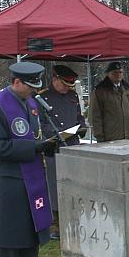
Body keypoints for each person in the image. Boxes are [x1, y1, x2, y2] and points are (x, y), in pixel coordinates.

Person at [0, 62, 55, 257]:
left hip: (32, 176)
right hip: (10, 181)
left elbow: (37, 133)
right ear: (16, 82)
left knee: (31, 228)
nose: (34, 91)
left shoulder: (31, 103)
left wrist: (49, 141)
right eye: (30, 86)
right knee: (10, 233)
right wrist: (33, 147)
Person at [38, 64, 86, 240]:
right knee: (54, 184)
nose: (67, 88)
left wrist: (81, 127)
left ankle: (73, 215)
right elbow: (40, 124)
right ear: (55, 79)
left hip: (72, 146)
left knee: (73, 183)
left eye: (70, 86)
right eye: (64, 84)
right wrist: (56, 133)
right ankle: (55, 222)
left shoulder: (72, 96)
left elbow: (78, 117)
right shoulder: (42, 98)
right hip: (54, 148)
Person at [89, 61, 129, 142]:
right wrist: (99, 136)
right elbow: (95, 116)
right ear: (108, 74)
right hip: (110, 138)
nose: (118, 74)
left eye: (120, 72)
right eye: (114, 72)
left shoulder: (128, 90)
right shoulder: (100, 91)